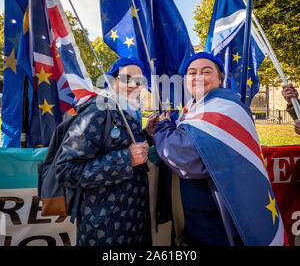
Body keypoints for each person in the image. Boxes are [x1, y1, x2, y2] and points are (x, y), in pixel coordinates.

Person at [153, 52, 285, 246]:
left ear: (220, 78)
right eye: (192, 72)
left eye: (206, 71)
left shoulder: (225, 108)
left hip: (216, 216)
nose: (198, 77)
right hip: (194, 215)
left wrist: (162, 129)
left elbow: (186, 158)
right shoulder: (192, 107)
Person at [54, 57, 158, 246]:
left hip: (134, 222)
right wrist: (126, 159)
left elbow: (120, 144)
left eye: (139, 81)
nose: (134, 84)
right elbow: (67, 170)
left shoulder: (128, 111)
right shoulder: (97, 111)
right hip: (105, 228)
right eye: (126, 78)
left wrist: (147, 134)